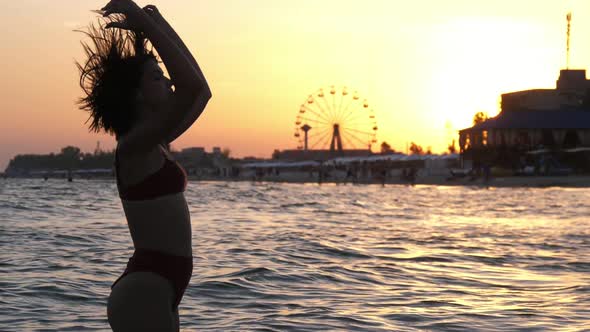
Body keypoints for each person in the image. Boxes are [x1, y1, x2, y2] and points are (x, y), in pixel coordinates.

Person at [77, 1, 211, 330]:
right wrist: (150, 29)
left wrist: (158, 23)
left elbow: (202, 92)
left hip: (162, 287)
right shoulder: (133, 146)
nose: (168, 83)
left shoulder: (158, 143)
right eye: (156, 78)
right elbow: (189, 87)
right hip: (144, 289)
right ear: (136, 94)